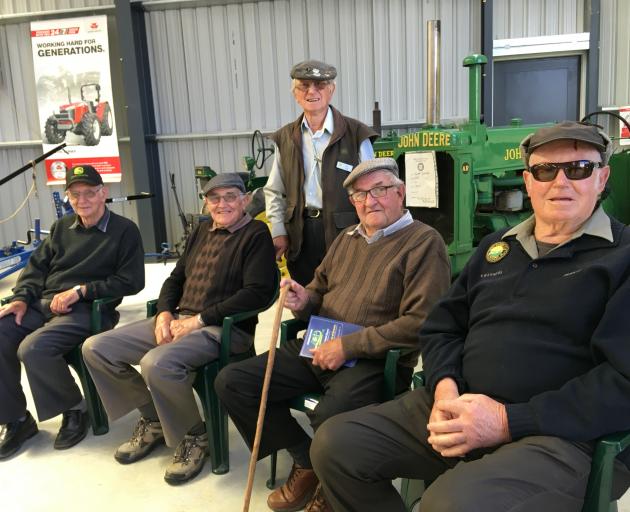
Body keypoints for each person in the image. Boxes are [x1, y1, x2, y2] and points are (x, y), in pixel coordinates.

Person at [311, 121, 630, 511]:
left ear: (602, 178)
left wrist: (506, 420)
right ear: (528, 182)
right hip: (458, 406)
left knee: (448, 504)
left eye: (578, 168)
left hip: (563, 438)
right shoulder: (497, 247)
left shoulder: (622, 257)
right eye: (546, 170)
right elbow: (442, 326)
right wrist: (445, 385)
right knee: (335, 445)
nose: (560, 182)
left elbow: (622, 382)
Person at [217, 158, 450, 511]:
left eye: (380, 190)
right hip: (318, 343)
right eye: (360, 195)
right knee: (234, 382)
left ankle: (332, 484)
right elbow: (318, 290)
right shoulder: (346, 238)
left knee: (330, 417)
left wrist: (349, 345)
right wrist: (302, 298)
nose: (370, 201)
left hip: (372, 362)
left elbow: (420, 322)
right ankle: (307, 462)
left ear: (400, 193)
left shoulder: (423, 242)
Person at [82, 173, 277, 485]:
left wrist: (199, 320)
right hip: (178, 319)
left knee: (157, 364)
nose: (222, 203)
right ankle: (154, 419)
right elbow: (175, 278)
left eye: (230, 196)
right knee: (97, 348)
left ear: (244, 201)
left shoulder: (256, 234)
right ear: (206, 202)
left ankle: (196, 437)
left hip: (222, 329)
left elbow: (257, 292)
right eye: (214, 198)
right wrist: (162, 314)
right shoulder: (202, 230)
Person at [0, 164, 144, 460]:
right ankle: (15, 419)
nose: (82, 200)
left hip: (88, 310)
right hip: (45, 305)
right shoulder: (61, 228)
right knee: (2, 332)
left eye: (89, 192)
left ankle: (74, 409)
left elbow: (132, 281)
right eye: (75, 194)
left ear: (103, 193)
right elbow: (36, 268)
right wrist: (22, 297)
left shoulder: (124, 231)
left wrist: (82, 291)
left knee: (34, 348)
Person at [264, 59, 378, 286]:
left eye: (320, 85)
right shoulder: (285, 138)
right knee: (306, 298)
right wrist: (278, 230)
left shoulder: (355, 134)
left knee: (345, 298)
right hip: (301, 235)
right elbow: (274, 190)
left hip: (347, 233)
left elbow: (373, 188)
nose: (311, 91)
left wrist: (372, 231)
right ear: (295, 94)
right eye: (304, 86)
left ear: (331, 90)